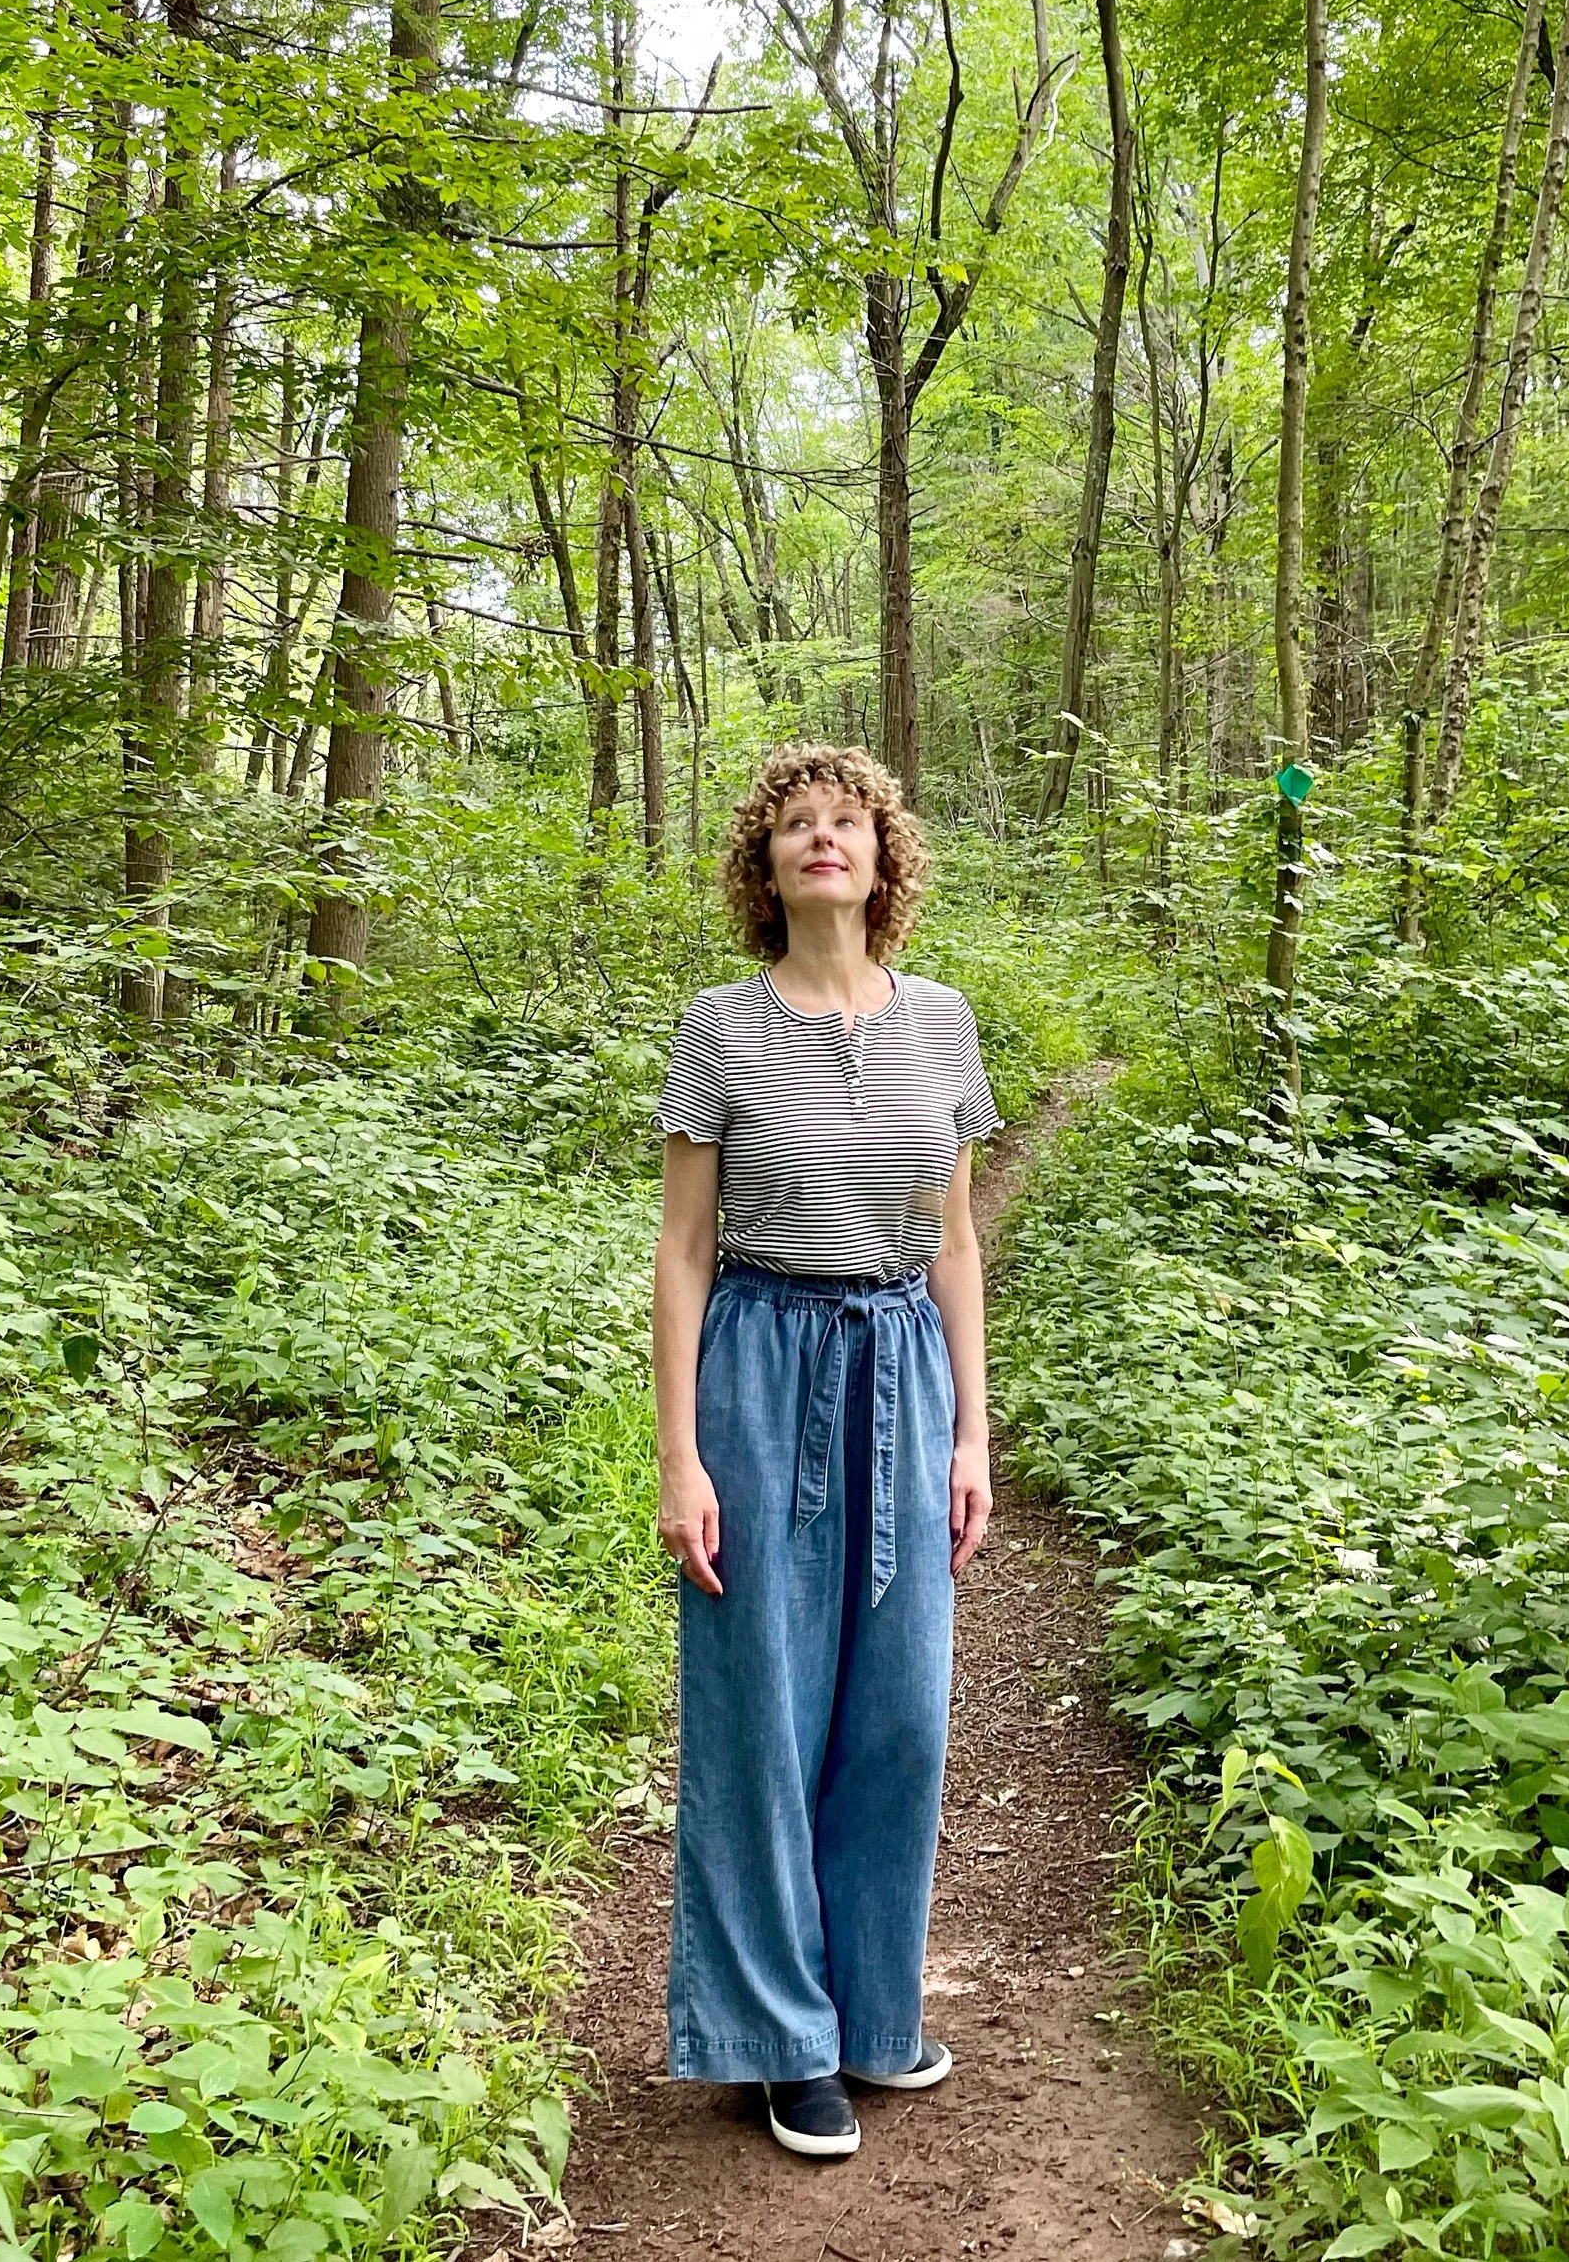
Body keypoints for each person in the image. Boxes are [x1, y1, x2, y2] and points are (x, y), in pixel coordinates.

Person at [651, 739, 1003, 2160]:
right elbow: (680, 1252)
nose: (821, 840)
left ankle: (870, 2004)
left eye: (844, 821)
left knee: (904, 1705)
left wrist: (975, 1430)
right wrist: (681, 1456)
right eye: (795, 825)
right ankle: (781, 2038)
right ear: (766, 865)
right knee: (762, 1708)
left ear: (883, 858)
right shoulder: (721, 1028)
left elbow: (957, 1240)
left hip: (902, 1370)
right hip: (757, 1365)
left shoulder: (942, 1023)